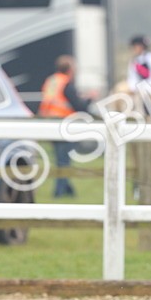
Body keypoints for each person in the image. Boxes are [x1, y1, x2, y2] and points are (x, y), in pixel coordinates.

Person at [39, 55, 92, 197]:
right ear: (70, 69)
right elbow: (79, 107)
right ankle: (59, 191)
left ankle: (68, 190)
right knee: (63, 160)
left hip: (49, 123)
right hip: (64, 125)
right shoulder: (66, 83)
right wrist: (89, 99)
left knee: (60, 158)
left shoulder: (51, 81)